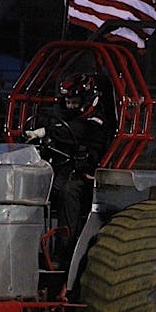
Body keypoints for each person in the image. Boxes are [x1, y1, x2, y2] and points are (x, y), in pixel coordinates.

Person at [26, 72, 110, 266]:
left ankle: (63, 253)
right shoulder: (66, 115)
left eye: (74, 102)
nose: (70, 106)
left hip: (88, 177)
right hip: (65, 169)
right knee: (42, 184)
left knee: (68, 191)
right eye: (68, 102)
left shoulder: (97, 120)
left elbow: (76, 131)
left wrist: (46, 131)